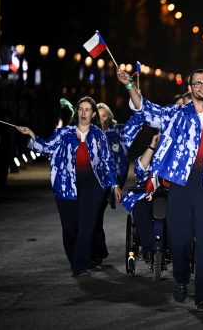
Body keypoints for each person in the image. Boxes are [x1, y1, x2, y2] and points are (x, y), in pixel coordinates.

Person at [117, 67, 203, 312]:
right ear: (190, 88)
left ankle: (202, 296)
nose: (201, 86)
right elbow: (146, 109)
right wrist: (129, 86)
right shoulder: (177, 114)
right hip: (181, 185)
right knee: (178, 241)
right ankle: (180, 278)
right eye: (196, 82)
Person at [16, 96, 122, 276]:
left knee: (87, 226)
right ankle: (76, 259)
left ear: (93, 113)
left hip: (93, 187)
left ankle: (79, 265)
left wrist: (114, 184)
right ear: (77, 112)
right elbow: (46, 148)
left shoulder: (98, 135)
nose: (83, 113)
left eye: (87, 110)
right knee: (70, 229)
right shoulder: (63, 133)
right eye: (81, 109)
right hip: (66, 187)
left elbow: (107, 161)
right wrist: (31, 135)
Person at [88, 103, 144, 267]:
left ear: (110, 117)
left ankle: (96, 254)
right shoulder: (89, 132)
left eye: (104, 116)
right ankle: (98, 252)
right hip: (91, 182)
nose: (102, 119)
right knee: (93, 217)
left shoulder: (120, 132)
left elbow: (138, 122)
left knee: (95, 215)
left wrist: (137, 104)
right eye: (98, 116)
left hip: (111, 183)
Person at [121, 134, 161, 258]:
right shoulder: (153, 153)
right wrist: (152, 147)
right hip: (147, 193)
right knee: (140, 208)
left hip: (173, 195)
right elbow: (139, 170)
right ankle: (148, 248)